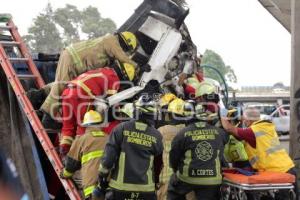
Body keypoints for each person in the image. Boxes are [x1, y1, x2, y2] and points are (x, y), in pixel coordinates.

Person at [39, 31, 138, 126]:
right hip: (73, 60)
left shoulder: (108, 52)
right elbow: (122, 57)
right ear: (124, 44)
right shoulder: (111, 41)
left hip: (74, 61)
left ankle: (38, 95)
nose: (125, 52)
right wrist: (137, 66)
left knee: (62, 84)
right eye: (126, 49)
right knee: (61, 87)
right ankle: (47, 116)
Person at [59, 62, 135, 156]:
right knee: (85, 127)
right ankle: (75, 155)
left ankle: (64, 148)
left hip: (68, 93)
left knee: (68, 126)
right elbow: (112, 103)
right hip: (80, 96)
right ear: (124, 77)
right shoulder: (113, 78)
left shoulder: (103, 71)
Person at [95, 96, 163, 200]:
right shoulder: (157, 135)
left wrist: (101, 179)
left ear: (135, 111)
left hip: (120, 189)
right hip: (146, 191)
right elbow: (158, 164)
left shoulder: (121, 129)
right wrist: (156, 183)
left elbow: (108, 159)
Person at [221, 107, 297, 199]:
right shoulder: (265, 127)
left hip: (279, 173)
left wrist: (222, 114)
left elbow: (229, 129)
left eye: (244, 119)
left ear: (248, 120)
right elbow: (239, 136)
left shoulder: (253, 131)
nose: (243, 121)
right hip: (286, 169)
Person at [167, 104, 228, 200]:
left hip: (187, 179)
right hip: (212, 181)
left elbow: (174, 157)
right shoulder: (219, 132)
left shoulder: (183, 133)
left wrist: (175, 170)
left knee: (173, 187)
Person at [60, 110, 109, 199]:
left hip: (92, 189)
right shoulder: (109, 138)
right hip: (109, 187)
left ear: (86, 125)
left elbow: (72, 163)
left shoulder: (81, 140)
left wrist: (64, 174)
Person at [157, 98, 195, 200]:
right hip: (188, 180)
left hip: (166, 179)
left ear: (170, 114)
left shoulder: (161, 131)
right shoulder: (191, 132)